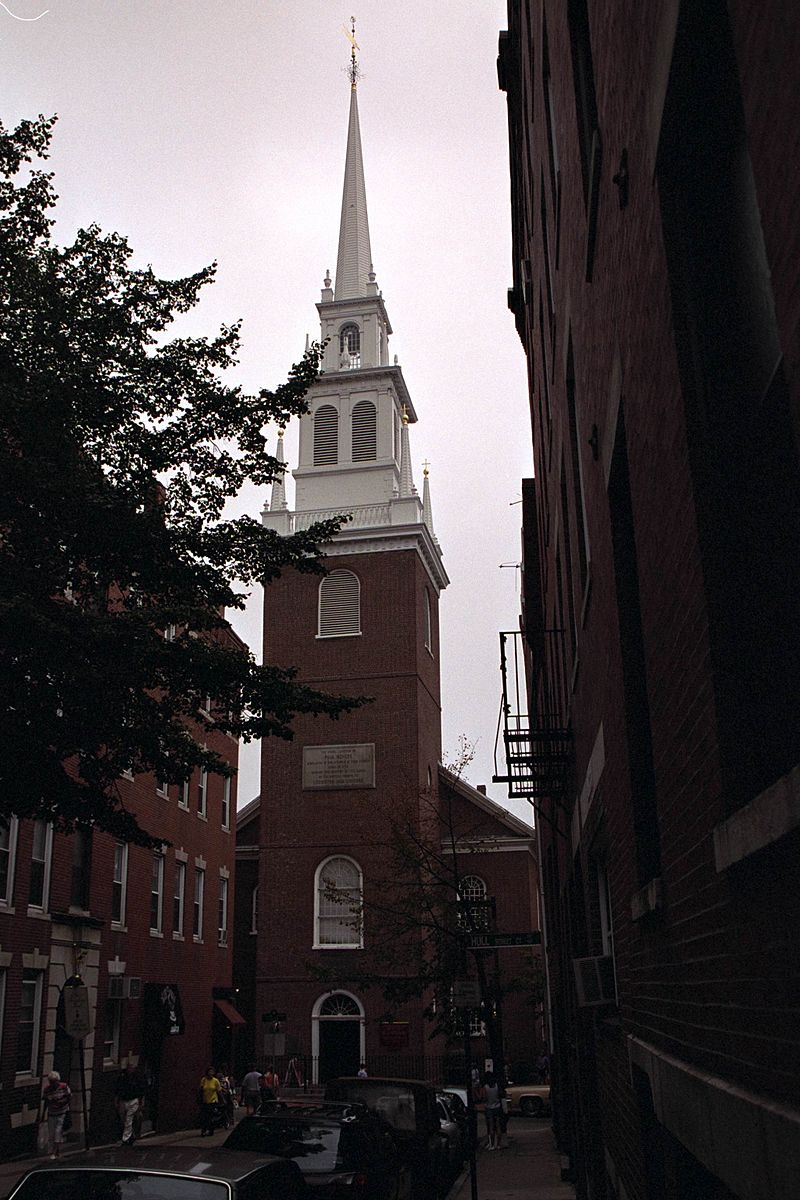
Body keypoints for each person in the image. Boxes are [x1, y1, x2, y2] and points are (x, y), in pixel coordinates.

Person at [41, 1070, 71, 1159]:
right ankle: (56, 1151)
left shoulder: (64, 1087)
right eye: (51, 1082)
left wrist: (63, 1104)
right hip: (51, 1113)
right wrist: (43, 1114)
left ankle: (54, 1152)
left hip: (62, 1112)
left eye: (54, 1082)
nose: (53, 1084)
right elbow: (46, 1101)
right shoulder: (47, 1090)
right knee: (52, 1133)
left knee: (58, 1131)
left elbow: (69, 1097)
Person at [115, 1059, 145, 1146]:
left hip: (133, 1100)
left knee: (129, 1119)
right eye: (128, 1067)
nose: (130, 1069)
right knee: (124, 1120)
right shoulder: (122, 1077)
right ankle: (131, 1136)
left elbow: (141, 1090)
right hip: (124, 1100)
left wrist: (141, 1102)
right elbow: (118, 1089)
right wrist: (117, 1100)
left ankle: (125, 1139)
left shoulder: (137, 1078)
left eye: (131, 1067)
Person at [479, 1071, 502, 1151]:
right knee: (498, 1126)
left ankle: (492, 1144)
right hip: (497, 1106)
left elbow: (484, 1098)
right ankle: (498, 1144)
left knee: (491, 1126)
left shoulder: (485, 1087)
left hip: (489, 1107)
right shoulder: (496, 1086)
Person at [199, 1066, 222, 1136]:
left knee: (211, 1116)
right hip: (205, 1101)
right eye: (209, 1071)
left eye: (212, 1072)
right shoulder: (204, 1080)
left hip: (213, 1101)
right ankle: (203, 1130)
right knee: (204, 1117)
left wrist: (222, 1100)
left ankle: (211, 1130)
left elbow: (219, 1091)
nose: (211, 1073)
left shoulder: (215, 1081)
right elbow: (201, 1089)